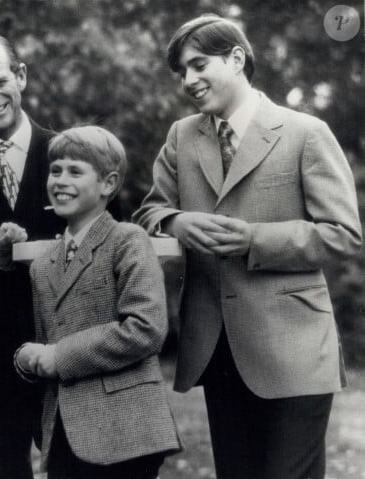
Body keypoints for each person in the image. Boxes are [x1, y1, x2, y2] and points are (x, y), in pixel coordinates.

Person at [133, 14, 362, 479]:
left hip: (295, 350)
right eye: (182, 72)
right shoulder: (182, 136)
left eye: (198, 65)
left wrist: (254, 239)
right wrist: (177, 220)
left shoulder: (305, 132)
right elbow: (148, 213)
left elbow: (343, 234)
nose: (189, 81)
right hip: (217, 350)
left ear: (236, 58)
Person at [0, 33, 120, 478]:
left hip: (72, 361)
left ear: (21, 76)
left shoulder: (78, 156)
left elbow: (112, 254)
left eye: (0, 81)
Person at [4, 125, 182, 479]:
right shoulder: (43, 264)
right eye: (55, 170)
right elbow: (48, 343)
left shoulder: (127, 240)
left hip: (127, 431)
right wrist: (29, 359)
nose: (60, 180)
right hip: (64, 433)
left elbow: (145, 329)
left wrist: (58, 356)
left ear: (108, 184)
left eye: (75, 170)